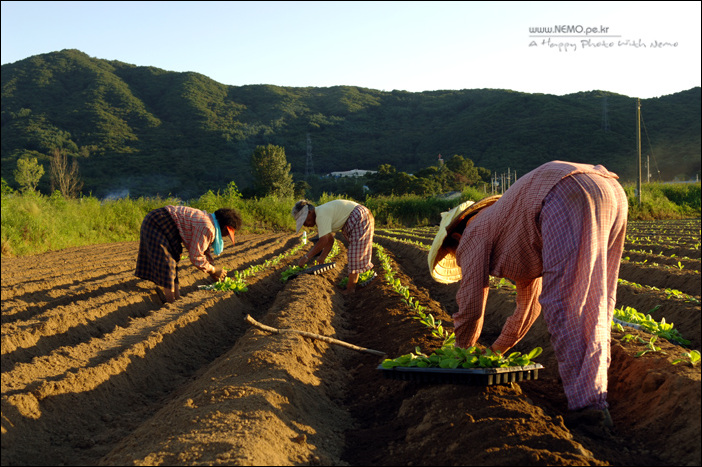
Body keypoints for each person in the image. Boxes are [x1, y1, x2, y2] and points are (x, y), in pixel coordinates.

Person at [428, 160, 627, 428]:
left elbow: (472, 304)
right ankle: (593, 400)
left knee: (565, 303)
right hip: (610, 189)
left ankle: (588, 408)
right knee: (596, 301)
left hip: (566, 192)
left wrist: (462, 354)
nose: (457, 257)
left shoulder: (473, 232)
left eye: (451, 252)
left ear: (455, 237)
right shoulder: (511, 227)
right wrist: (495, 351)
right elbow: (529, 308)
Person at [136, 205, 242, 303]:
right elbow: (196, 256)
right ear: (224, 228)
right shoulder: (207, 227)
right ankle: (171, 302)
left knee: (173, 259)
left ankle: (176, 299)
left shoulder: (209, 223)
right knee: (167, 262)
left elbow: (204, 251)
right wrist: (214, 270)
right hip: (157, 222)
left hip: (167, 225)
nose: (225, 236)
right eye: (227, 233)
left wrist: (213, 272)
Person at [292, 199, 375, 294]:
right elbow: (330, 240)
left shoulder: (321, 215)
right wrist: (322, 256)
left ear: (310, 212)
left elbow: (323, 241)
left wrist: (306, 257)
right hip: (360, 215)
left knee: (355, 254)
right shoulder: (321, 214)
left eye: (305, 221)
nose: (305, 225)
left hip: (360, 217)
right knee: (355, 252)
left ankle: (350, 288)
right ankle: (355, 283)